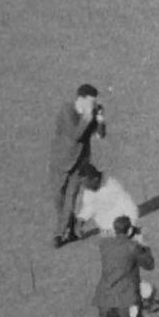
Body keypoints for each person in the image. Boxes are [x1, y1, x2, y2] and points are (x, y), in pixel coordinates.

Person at [50, 83, 106, 248]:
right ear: (80, 99)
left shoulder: (93, 112)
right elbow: (76, 136)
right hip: (61, 161)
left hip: (80, 162)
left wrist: (101, 120)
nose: (93, 105)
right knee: (57, 197)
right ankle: (72, 227)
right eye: (91, 101)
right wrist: (88, 117)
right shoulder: (66, 111)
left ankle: (60, 234)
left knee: (71, 198)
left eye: (95, 102)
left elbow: (100, 136)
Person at [75, 164, 139, 237]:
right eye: (83, 185)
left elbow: (130, 207)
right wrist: (80, 221)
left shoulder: (112, 186)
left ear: (95, 180)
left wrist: (130, 227)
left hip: (124, 231)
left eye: (87, 185)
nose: (85, 187)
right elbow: (89, 207)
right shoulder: (89, 191)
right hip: (107, 234)